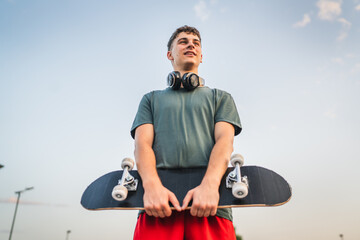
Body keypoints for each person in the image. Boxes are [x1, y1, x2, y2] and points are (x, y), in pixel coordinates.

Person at [130, 25, 242, 240]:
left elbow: (225, 141)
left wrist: (209, 187)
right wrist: (152, 188)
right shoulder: (150, 99)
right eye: (183, 41)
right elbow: (142, 145)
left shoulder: (221, 98)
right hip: (157, 204)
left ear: (201, 56)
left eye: (196, 43)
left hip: (211, 203)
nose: (191, 44)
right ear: (169, 54)